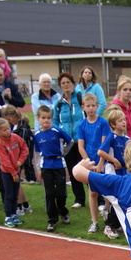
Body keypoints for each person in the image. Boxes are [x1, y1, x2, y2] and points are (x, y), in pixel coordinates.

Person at [34, 105, 72, 232]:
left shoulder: (57, 131)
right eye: (43, 118)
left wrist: (63, 153)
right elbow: (37, 153)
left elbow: (70, 141)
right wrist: (39, 169)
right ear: (38, 118)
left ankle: (63, 211)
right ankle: (52, 219)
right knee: (49, 194)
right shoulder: (37, 135)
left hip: (59, 165)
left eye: (49, 118)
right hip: (46, 166)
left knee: (61, 193)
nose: (46, 120)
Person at [77, 93, 111, 234]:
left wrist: (100, 164)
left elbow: (104, 145)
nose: (91, 109)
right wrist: (89, 164)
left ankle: (109, 220)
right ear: (83, 107)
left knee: (107, 193)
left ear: (97, 106)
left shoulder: (103, 123)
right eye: (88, 106)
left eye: (93, 106)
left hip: (102, 162)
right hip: (90, 164)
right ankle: (94, 222)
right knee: (92, 193)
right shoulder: (82, 125)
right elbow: (80, 146)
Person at [52, 71, 86, 208]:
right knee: (73, 171)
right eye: (63, 83)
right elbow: (54, 120)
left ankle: (99, 199)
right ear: (60, 86)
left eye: (68, 82)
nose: (66, 85)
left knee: (87, 169)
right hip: (67, 142)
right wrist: (60, 132)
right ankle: (79, 199)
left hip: (82, 141)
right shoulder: (59, 103)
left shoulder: (79, 98)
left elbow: (87, 114)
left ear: (73, 84)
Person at [97, 107, 130, 239]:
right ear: (113, 124)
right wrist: (113, 160)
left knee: (123, 197)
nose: (124, 122)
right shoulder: (111, 137)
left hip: (124, 170)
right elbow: (101, 152)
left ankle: (117, 223)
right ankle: (109, 225)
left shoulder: (127, 138)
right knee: (114, 198)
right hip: (113, 170)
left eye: (124, 119)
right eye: (120, 120)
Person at [0, 118, 28, 228]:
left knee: (15, 194)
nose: (7, 131)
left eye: (8, 128)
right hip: (7, 172)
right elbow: (4, 161)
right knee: (9, 194)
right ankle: (8, 216)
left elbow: (24, 148)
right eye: (4, 130)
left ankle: (14, 214)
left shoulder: (15, 138)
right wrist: (13, 173)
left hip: (17, 170)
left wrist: (20, 161)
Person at [2, 105, 36, 184]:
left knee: (27, 161)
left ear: (14, 116)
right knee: (18, 162)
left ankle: (31, 178)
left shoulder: (22, 128)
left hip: (25, 147)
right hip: (17, 148)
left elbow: (23, 141)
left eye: (9, 119)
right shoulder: (14, 126)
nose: (9, 121)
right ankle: (20, 176)